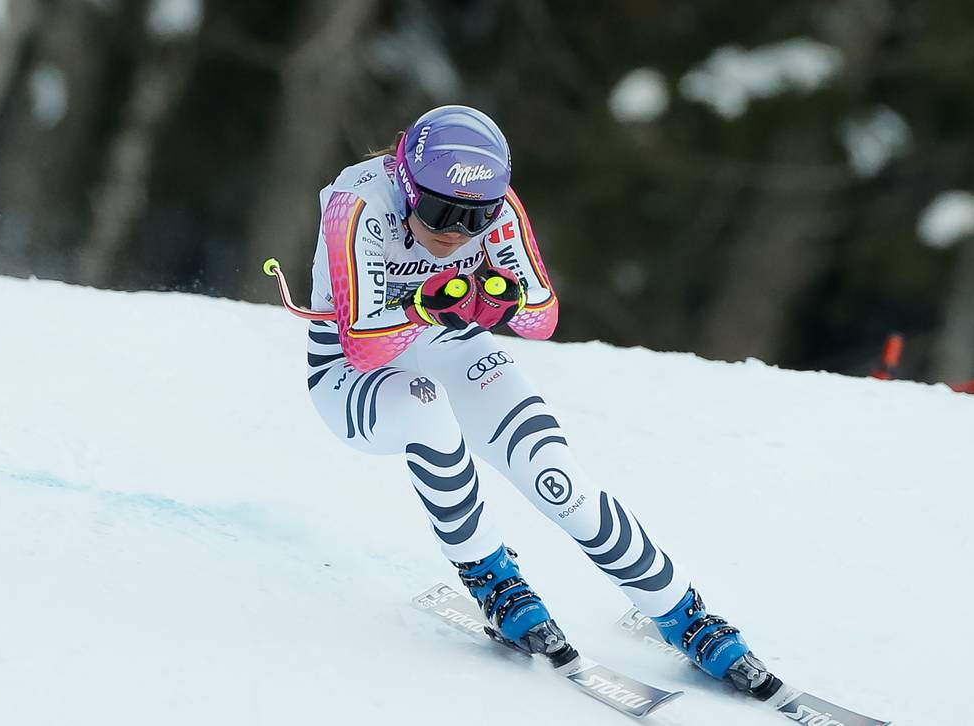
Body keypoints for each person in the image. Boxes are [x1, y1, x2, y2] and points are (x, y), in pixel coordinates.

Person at [305, 105, 779, 698]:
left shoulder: (499, 211)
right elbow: (364, 346)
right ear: (404, 181)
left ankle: (684, 614)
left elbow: (542, 317)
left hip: (450, 345)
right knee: (429, 418)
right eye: (438, 212)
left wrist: (498, 304)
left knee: (557, 478)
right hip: (351, 373)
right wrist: (432, 304)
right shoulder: (358, 202)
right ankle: (495, 580)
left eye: (474, 218)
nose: (454, 231)